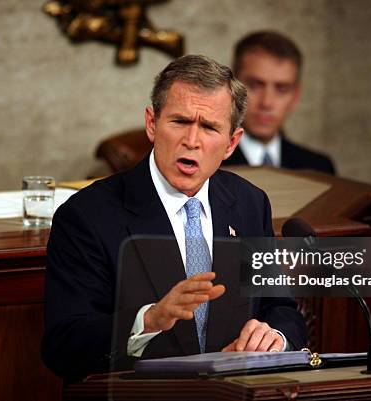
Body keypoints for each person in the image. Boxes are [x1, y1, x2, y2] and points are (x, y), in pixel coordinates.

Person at [41, 55, 307, 381]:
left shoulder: (250, 204)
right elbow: (63, 345)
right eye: (180, 122)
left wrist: (274, 339)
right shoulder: (86, 216)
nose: (191, 141)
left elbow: (281, 309)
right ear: (152, 124)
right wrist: (148, 320)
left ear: (231, 143)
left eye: (209, 127)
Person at [222, 31, 335, 174]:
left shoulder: (319, 168)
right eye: (255, 85)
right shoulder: (207, 165)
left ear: (295, 95)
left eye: (282, 89)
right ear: (231, 87)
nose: (267, 103)